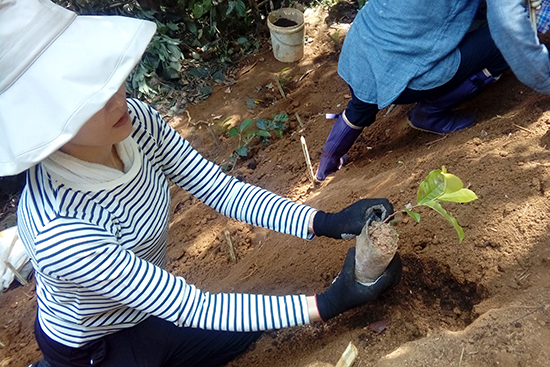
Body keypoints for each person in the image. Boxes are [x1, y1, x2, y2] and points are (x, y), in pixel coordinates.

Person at [0, 1, 402, 366]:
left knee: (239, 336)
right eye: (89, 99)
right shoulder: (60, 227)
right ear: (44, 125)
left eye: (106, 76)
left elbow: (218, 188)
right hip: (96, 343)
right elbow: (190, 306)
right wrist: (330, 303)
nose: (116, 98)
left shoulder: (134, 123)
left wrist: (324, 221)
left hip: (148, 306)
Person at [316, 0, 550, 181]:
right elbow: (509, 27)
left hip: (358, 50)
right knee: (505, 42)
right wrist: (544, 80)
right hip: (406, 76)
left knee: (361, 103)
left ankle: (327, 163)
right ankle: (430, 113)